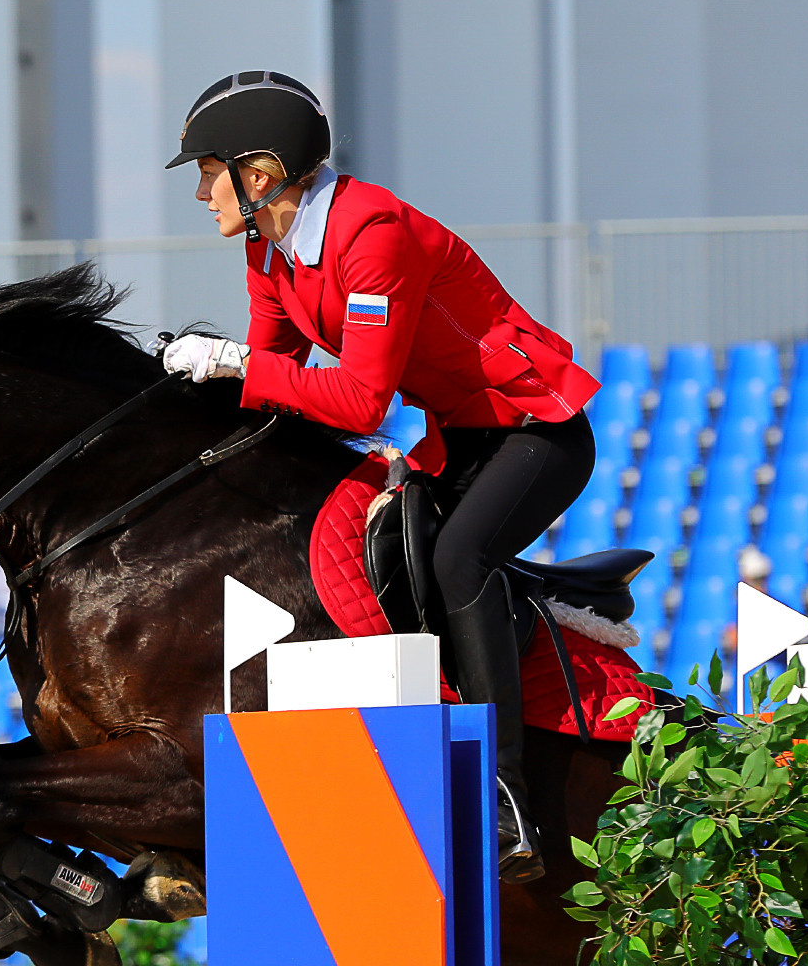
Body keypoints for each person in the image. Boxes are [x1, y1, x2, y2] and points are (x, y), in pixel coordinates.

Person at [159, 71, 601, 881]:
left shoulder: (372, 233)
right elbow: (277, 374)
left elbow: (359, 399)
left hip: (537, 431)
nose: (200, 192)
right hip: (462, 435)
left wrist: (229, 363)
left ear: (258, 176)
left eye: (207, 172)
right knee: (392, 553)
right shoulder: (270, 245)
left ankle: (505, 792)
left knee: (458, 558)